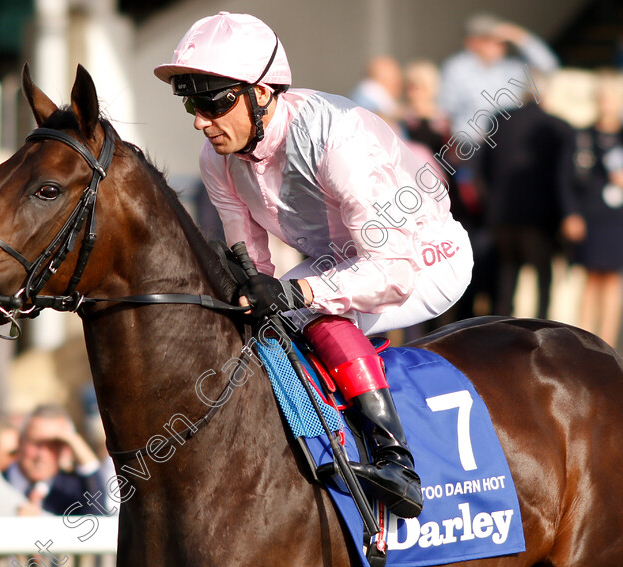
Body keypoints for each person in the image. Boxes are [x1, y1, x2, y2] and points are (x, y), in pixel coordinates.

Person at [154, 12, 473, 519]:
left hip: (422, 258)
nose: (200, 120)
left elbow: (392, 271)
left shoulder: (337, 138)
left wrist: (299, 295)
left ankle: (397, 461)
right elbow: (253, 268)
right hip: (340, 262)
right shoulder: (217, 159)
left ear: (262, 93)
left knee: (315, 315)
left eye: (215, 102)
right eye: (192, 103)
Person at [476, 76, 584, 319]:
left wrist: (491, 205)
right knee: (543, 281)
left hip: (501, 216)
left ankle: (499, 333)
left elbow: (481, 169)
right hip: (539, 220)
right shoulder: (557, 127)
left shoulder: (500, 121)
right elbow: (565, 177)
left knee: (505, 280)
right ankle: (541, 335)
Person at [571, 72, 623, 347]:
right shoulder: (583, 135)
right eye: (603, 98)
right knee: (591, 276)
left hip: (618, 216)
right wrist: (572, 214)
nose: (608, 103)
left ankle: (607, 344)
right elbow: (568, 178)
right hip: (591, 214)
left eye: (613, 98)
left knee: (613, 278)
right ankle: (584, 342)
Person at [438, 13, 560, 138]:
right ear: (472, 42)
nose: (499, 46)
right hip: (472, 145)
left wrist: (520, 37)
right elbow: (445, 111)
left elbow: (548, 66)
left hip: (509, 139)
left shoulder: (512, 68)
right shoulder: (457, 68)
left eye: (501, 41)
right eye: (490, 40)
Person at [3, 404, 105, 516]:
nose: (42, 454)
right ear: (20, 441)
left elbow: (98, 516)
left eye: (54, 445)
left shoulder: (71, 490)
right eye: (36, 443)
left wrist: (74, 441)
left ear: (66, 449)